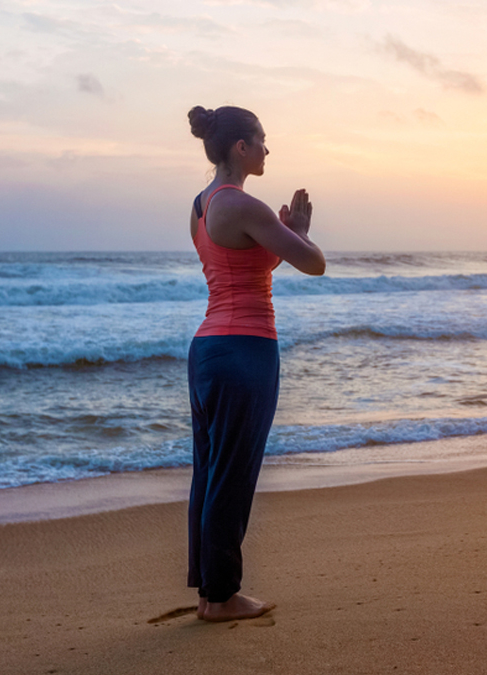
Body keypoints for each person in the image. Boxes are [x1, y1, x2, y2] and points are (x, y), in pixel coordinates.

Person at [185, 104, 325, 622]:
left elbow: (244, 265)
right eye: (261, 140)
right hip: (246, 349)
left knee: (210, 472)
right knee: (234, 475)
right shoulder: (245, 205)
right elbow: (315, 263)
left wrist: (281, 237)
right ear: (240, 147)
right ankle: (223, 598)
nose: (268, 148)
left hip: (208, 350)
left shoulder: (201, 205)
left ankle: (209, 591)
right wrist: (300, 232)